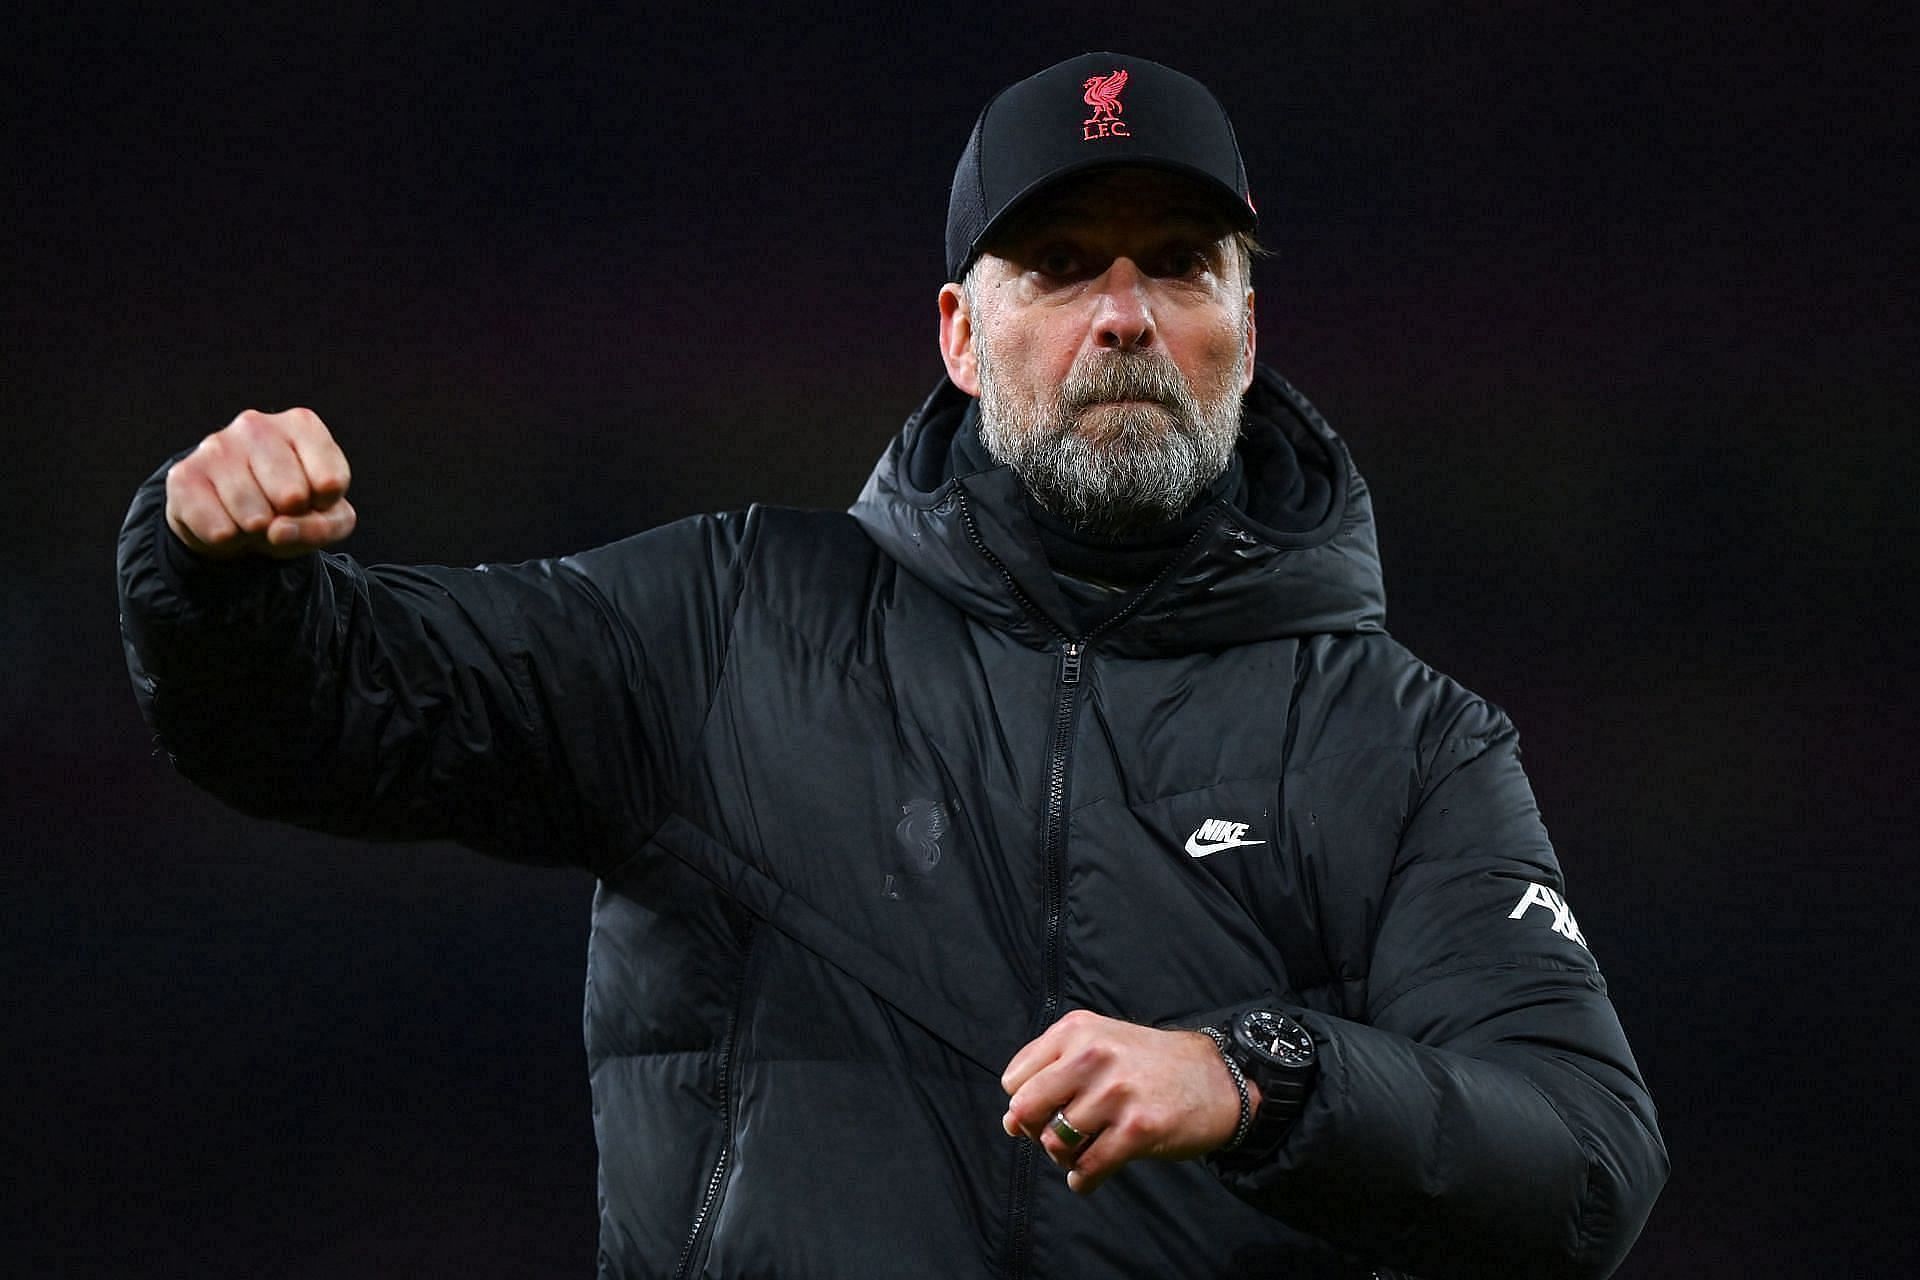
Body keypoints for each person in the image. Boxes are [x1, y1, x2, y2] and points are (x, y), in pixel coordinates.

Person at [118, 52, 1667, 1279]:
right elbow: (323, 716)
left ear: (1246, 333)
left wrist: (1260, 1074)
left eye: (1180, 265)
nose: (1122, 316)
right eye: (1059, 266)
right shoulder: (724, 621)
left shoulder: (1405, 744)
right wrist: (217, 575)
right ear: (955, 332)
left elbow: (1587, 1163)